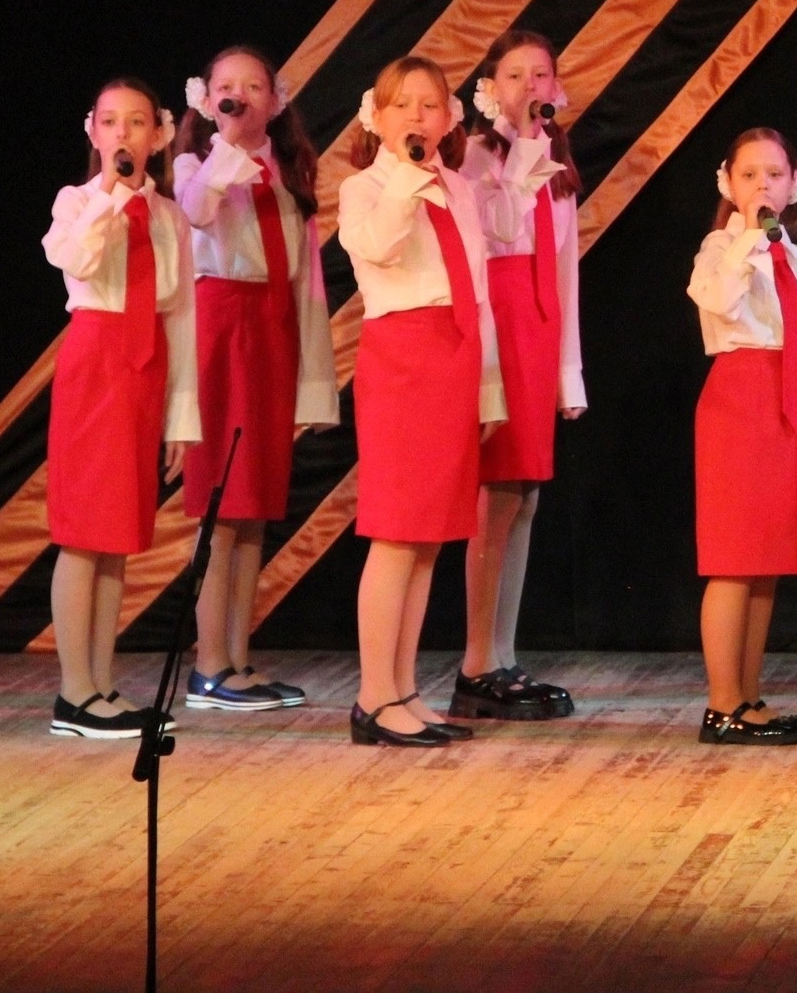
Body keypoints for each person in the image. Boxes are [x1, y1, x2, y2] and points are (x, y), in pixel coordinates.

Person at [337, 56, 505, 747]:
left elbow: (478, 287)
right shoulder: (365, 188)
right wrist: (407, 178)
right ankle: (373, 696)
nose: (417, 115)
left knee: (430, 535)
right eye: (402, 104)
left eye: (430, 104)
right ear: (376, 116)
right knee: (396, 530)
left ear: (449, 118)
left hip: (454, 355)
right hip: (402, 358)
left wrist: (488, 387)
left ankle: (403, 688)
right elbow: (377, 247)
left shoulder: (458, 186)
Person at [170, 46, 337, 713]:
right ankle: (209, 664)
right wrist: (227, 146)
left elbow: (307, 277)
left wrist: (313, 378)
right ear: (207, 100)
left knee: (256, 506)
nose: (239, 95)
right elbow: (196, 211)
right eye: (226, 87)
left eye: (253, 86)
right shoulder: (195, 164)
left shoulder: (288, 170)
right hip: (222, 331)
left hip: (272, 333)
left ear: (276, 99)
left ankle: (237, 659)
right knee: (222, 504)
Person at [40, 79, 199, 739]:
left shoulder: (169, 217)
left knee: (119, 536)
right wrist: (110, 194)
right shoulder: (79, 201)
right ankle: (73, 692)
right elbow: (73, 258)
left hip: (145, 368)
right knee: (85, 531)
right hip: (96, 365)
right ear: (94, 133)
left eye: (136, 122)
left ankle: (101, 684)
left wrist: (181, 419)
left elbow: (181, 316)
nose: (123, 134)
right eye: (110, 122)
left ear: (157, 135)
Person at [450, 31, 588, 723]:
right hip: (498, 332)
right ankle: (476, 660)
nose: (529, 86)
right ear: (490, 87)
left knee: (525, 497)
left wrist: (569, 373)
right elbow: (491, 242)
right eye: (514, 75)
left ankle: (502, 652)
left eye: (540, 74)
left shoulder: (555, 167)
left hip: (538, 330)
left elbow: (565, 273)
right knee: (496, 498)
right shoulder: (478, 158)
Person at [685, 127, 797, 747]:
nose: (762, 186)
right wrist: (748, 237)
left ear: (793, 183)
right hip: (739, 403)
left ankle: (747, 696)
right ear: (730, 183)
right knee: (734, 560)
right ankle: (721, 705)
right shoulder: (722, 247)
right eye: (749, 175)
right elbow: (716, 300)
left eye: (773, 174)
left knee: (766, 561)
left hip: (784, 408)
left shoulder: (793, 256)